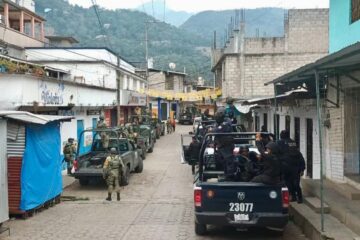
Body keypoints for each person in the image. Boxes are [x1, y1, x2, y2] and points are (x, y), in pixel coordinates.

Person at [277, 130, 306, 203]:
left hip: (287, 166)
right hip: (295, 167)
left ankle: (294, 196)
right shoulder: (293, 143)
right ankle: (298, 197)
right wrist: (302, 169)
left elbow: (277, 152)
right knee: (295, 183)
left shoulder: (280, 143)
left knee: (289, 183)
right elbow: (301, 159)